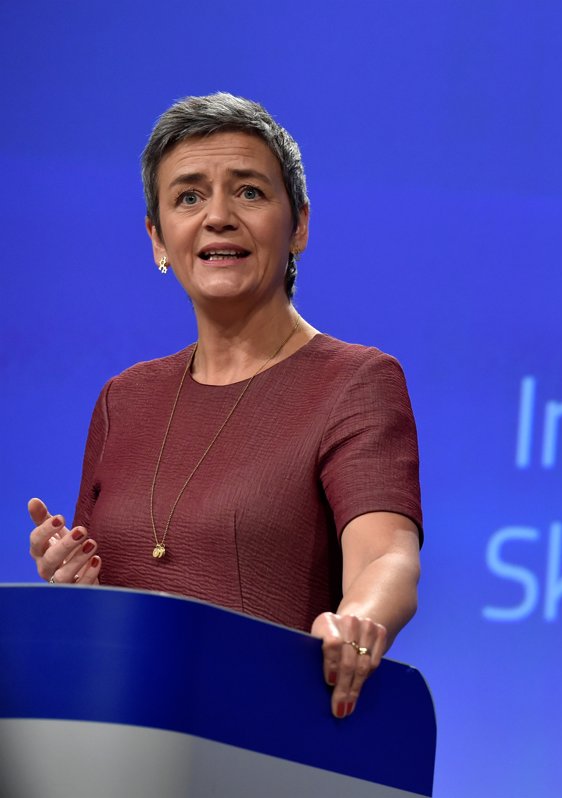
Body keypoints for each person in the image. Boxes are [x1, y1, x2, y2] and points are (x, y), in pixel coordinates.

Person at [25, 93, 422, 720]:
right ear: (158, 239)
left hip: (262, 735)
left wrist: (358, 621)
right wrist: (73, 585)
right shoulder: (123, 399)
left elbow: (386, 553)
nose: (218, 217)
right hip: (120, 733)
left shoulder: (355, 381)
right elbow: (105, 609)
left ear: (299, 226)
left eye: (249, 192)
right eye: (188, 197)